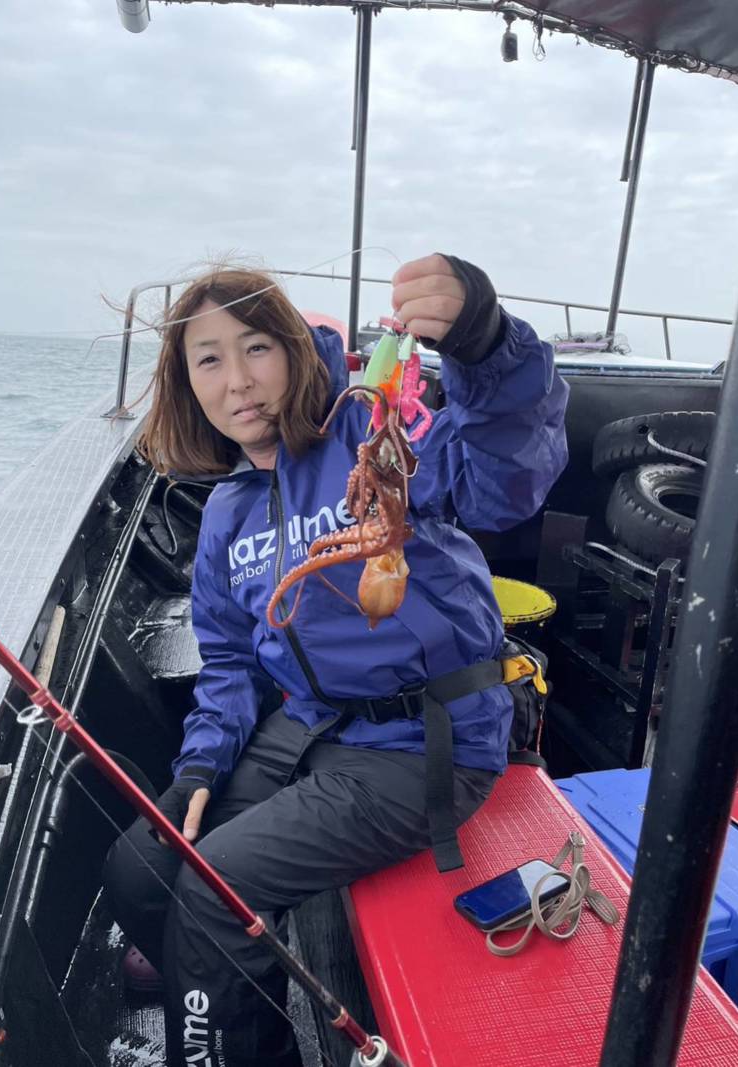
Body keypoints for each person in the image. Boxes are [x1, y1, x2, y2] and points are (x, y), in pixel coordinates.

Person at [103, 252, 569, 1067]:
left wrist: (484, 342)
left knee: (216, 887)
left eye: (256, 347)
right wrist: (199, 767)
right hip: (313, 727)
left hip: (423, 741)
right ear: (186, 382)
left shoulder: (368, 433)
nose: (237, 381)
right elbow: (229, 663)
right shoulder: (226, 515)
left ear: (291, 350)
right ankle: (233, 998)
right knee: (139, 868)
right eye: (208, 359)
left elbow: (504, 480)